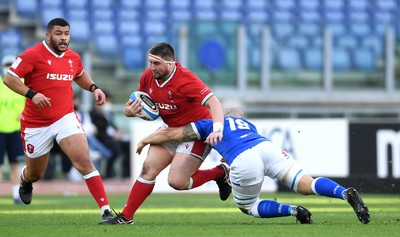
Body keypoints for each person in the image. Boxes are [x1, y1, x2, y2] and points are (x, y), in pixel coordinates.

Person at [134, 107, 371, 224]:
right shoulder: (247, 124)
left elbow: (175, 133)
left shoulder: (211, 124)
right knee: (306, 182)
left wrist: (146, 138)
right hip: (267, 147)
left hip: (244, 159)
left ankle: (293, 210)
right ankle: (344, 192)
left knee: (249, 207)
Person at [99, 42, 229, 225]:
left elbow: (214, 102)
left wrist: (217, 129)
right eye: (150, 62)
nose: (152, 67)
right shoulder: (148, 77)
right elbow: (145, 106)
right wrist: (129, 112)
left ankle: (220, 172)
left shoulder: (186, 79)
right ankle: (126, 217)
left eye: (156, 63)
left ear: (170, 63)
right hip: (170, 130)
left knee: (177, 181)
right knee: (148, 169)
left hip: (194, 132)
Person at [2, 18, 114, 222]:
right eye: (58, 33)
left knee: (84, 161)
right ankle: (26, 181)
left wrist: (93, 88)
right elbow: (9, 78)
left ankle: (106, 210)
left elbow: (79, 74)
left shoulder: (73, 57)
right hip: (36, 124)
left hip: (65, 117)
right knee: (36, 173)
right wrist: (32, 94)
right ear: (48, 35)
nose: (63, 38)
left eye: (66, 33)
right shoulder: (33, 55)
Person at [0, 54, 25, 204]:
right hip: (0, 129)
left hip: (15, 129)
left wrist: (24, 113)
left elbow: (29, 101)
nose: (8, 67)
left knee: (15, 164)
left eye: (11, 64)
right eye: (6, 65)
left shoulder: (21, 83)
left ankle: (16, 195)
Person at [89, 91, 130, 178]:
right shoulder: (93, 113)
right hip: (103, 139)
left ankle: (127, 173)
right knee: (115, 148)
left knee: (129, 145)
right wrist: (113, 136)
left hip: (113, 137)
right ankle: (108, 173)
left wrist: (118, 131)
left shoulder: (108, 113)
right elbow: (98, 130)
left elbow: (113, 126)